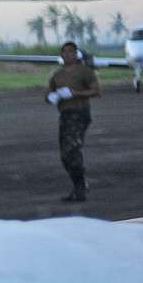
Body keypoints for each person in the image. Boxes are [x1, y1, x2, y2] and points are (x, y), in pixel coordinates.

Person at [47, 41, 101, 202]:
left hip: (80, 114)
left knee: (72, 149)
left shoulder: (85, 71)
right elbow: (49, 93)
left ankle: (80, 188)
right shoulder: (57, 74)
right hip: (65, 115)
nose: (67, 54)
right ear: (61, 54)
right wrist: (51, 97)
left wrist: (74, 93)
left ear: (76, 54)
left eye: (71, 51)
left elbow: (96, 91)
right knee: (65, 155)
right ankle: (80, 183)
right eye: (64, 52)